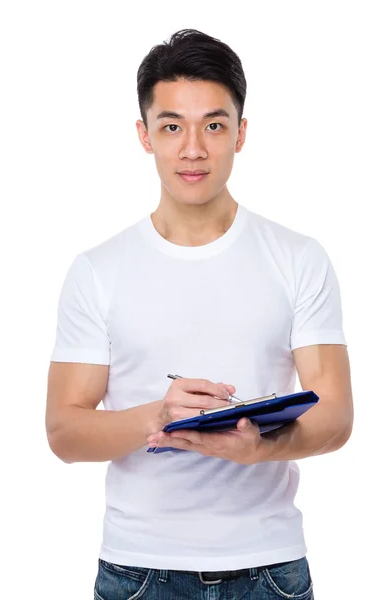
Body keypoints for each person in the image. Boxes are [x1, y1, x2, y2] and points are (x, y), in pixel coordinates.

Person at [46, 28, 353, 600]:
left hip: (270, 570)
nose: (193, 149)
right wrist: (156, 417)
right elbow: (64, 431)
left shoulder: (298, 258)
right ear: (144, 136)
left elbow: (335, 415)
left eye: (213, 125)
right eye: (171, 127)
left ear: (241, 133)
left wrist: (261, 447)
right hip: (138, 572)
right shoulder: (97, 270)